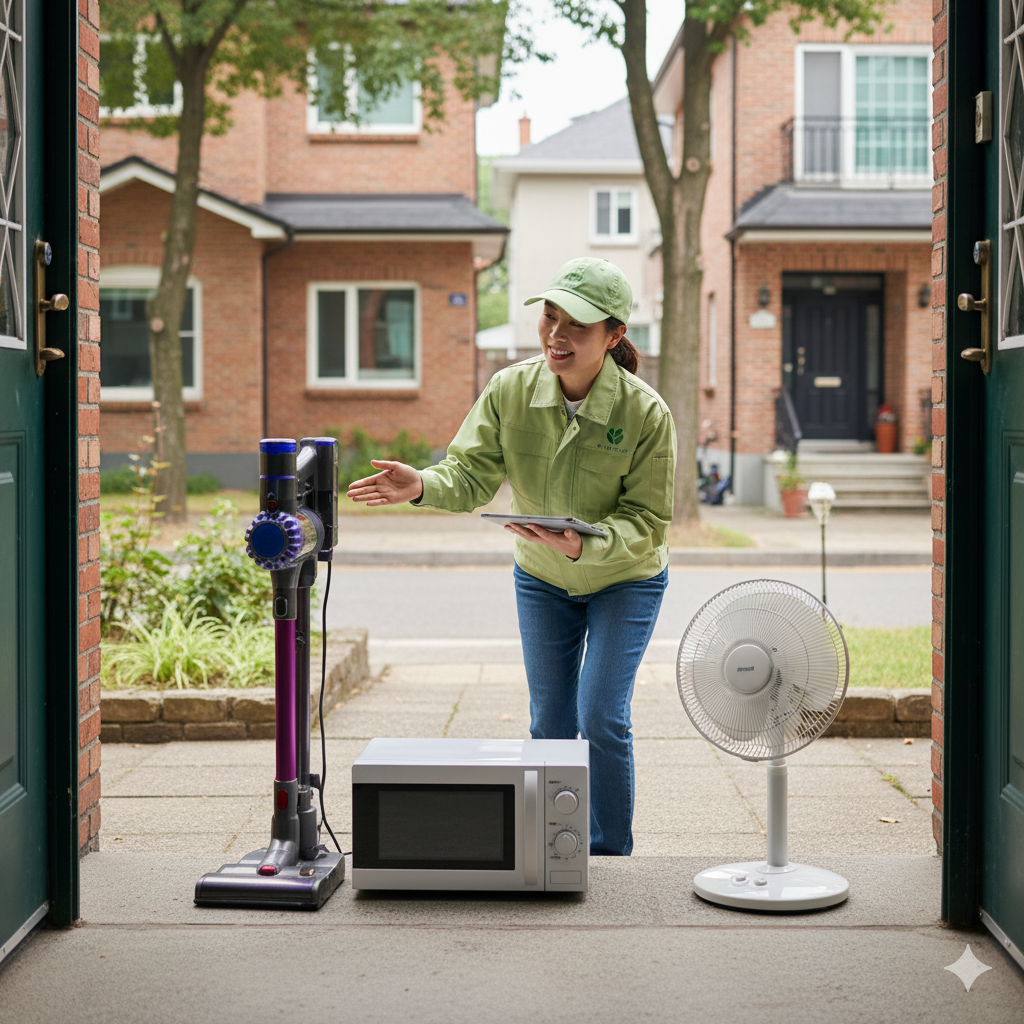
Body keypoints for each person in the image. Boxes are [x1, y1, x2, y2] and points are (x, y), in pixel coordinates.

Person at [347, 257, 677, 856]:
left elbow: (649, 523)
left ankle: (608, 855)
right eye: (550, 316)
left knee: (601, 714)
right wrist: (420, 483)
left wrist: (587, 542)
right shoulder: (510, 389)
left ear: (614, 334)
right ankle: (555, 852)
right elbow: (470, 475)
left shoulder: (646, 413)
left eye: (576, 323)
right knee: (551, 721)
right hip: (544, 578)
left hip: (624, 579)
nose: (557, 334)